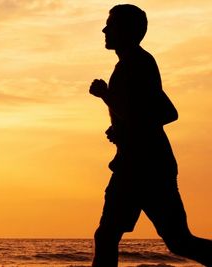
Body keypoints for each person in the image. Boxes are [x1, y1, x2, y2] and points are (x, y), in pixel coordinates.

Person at [89, 4, 212, 267]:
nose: (104, 30)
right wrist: (122, 129)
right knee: (175, 240)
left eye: (111, 25)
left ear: (128, 31)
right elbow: (153, 113)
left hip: (145, 166)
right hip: (138, 163)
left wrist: (106, 96)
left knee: (115, 236)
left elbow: (165, 113)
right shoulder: (130, 64)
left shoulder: (138, 63)